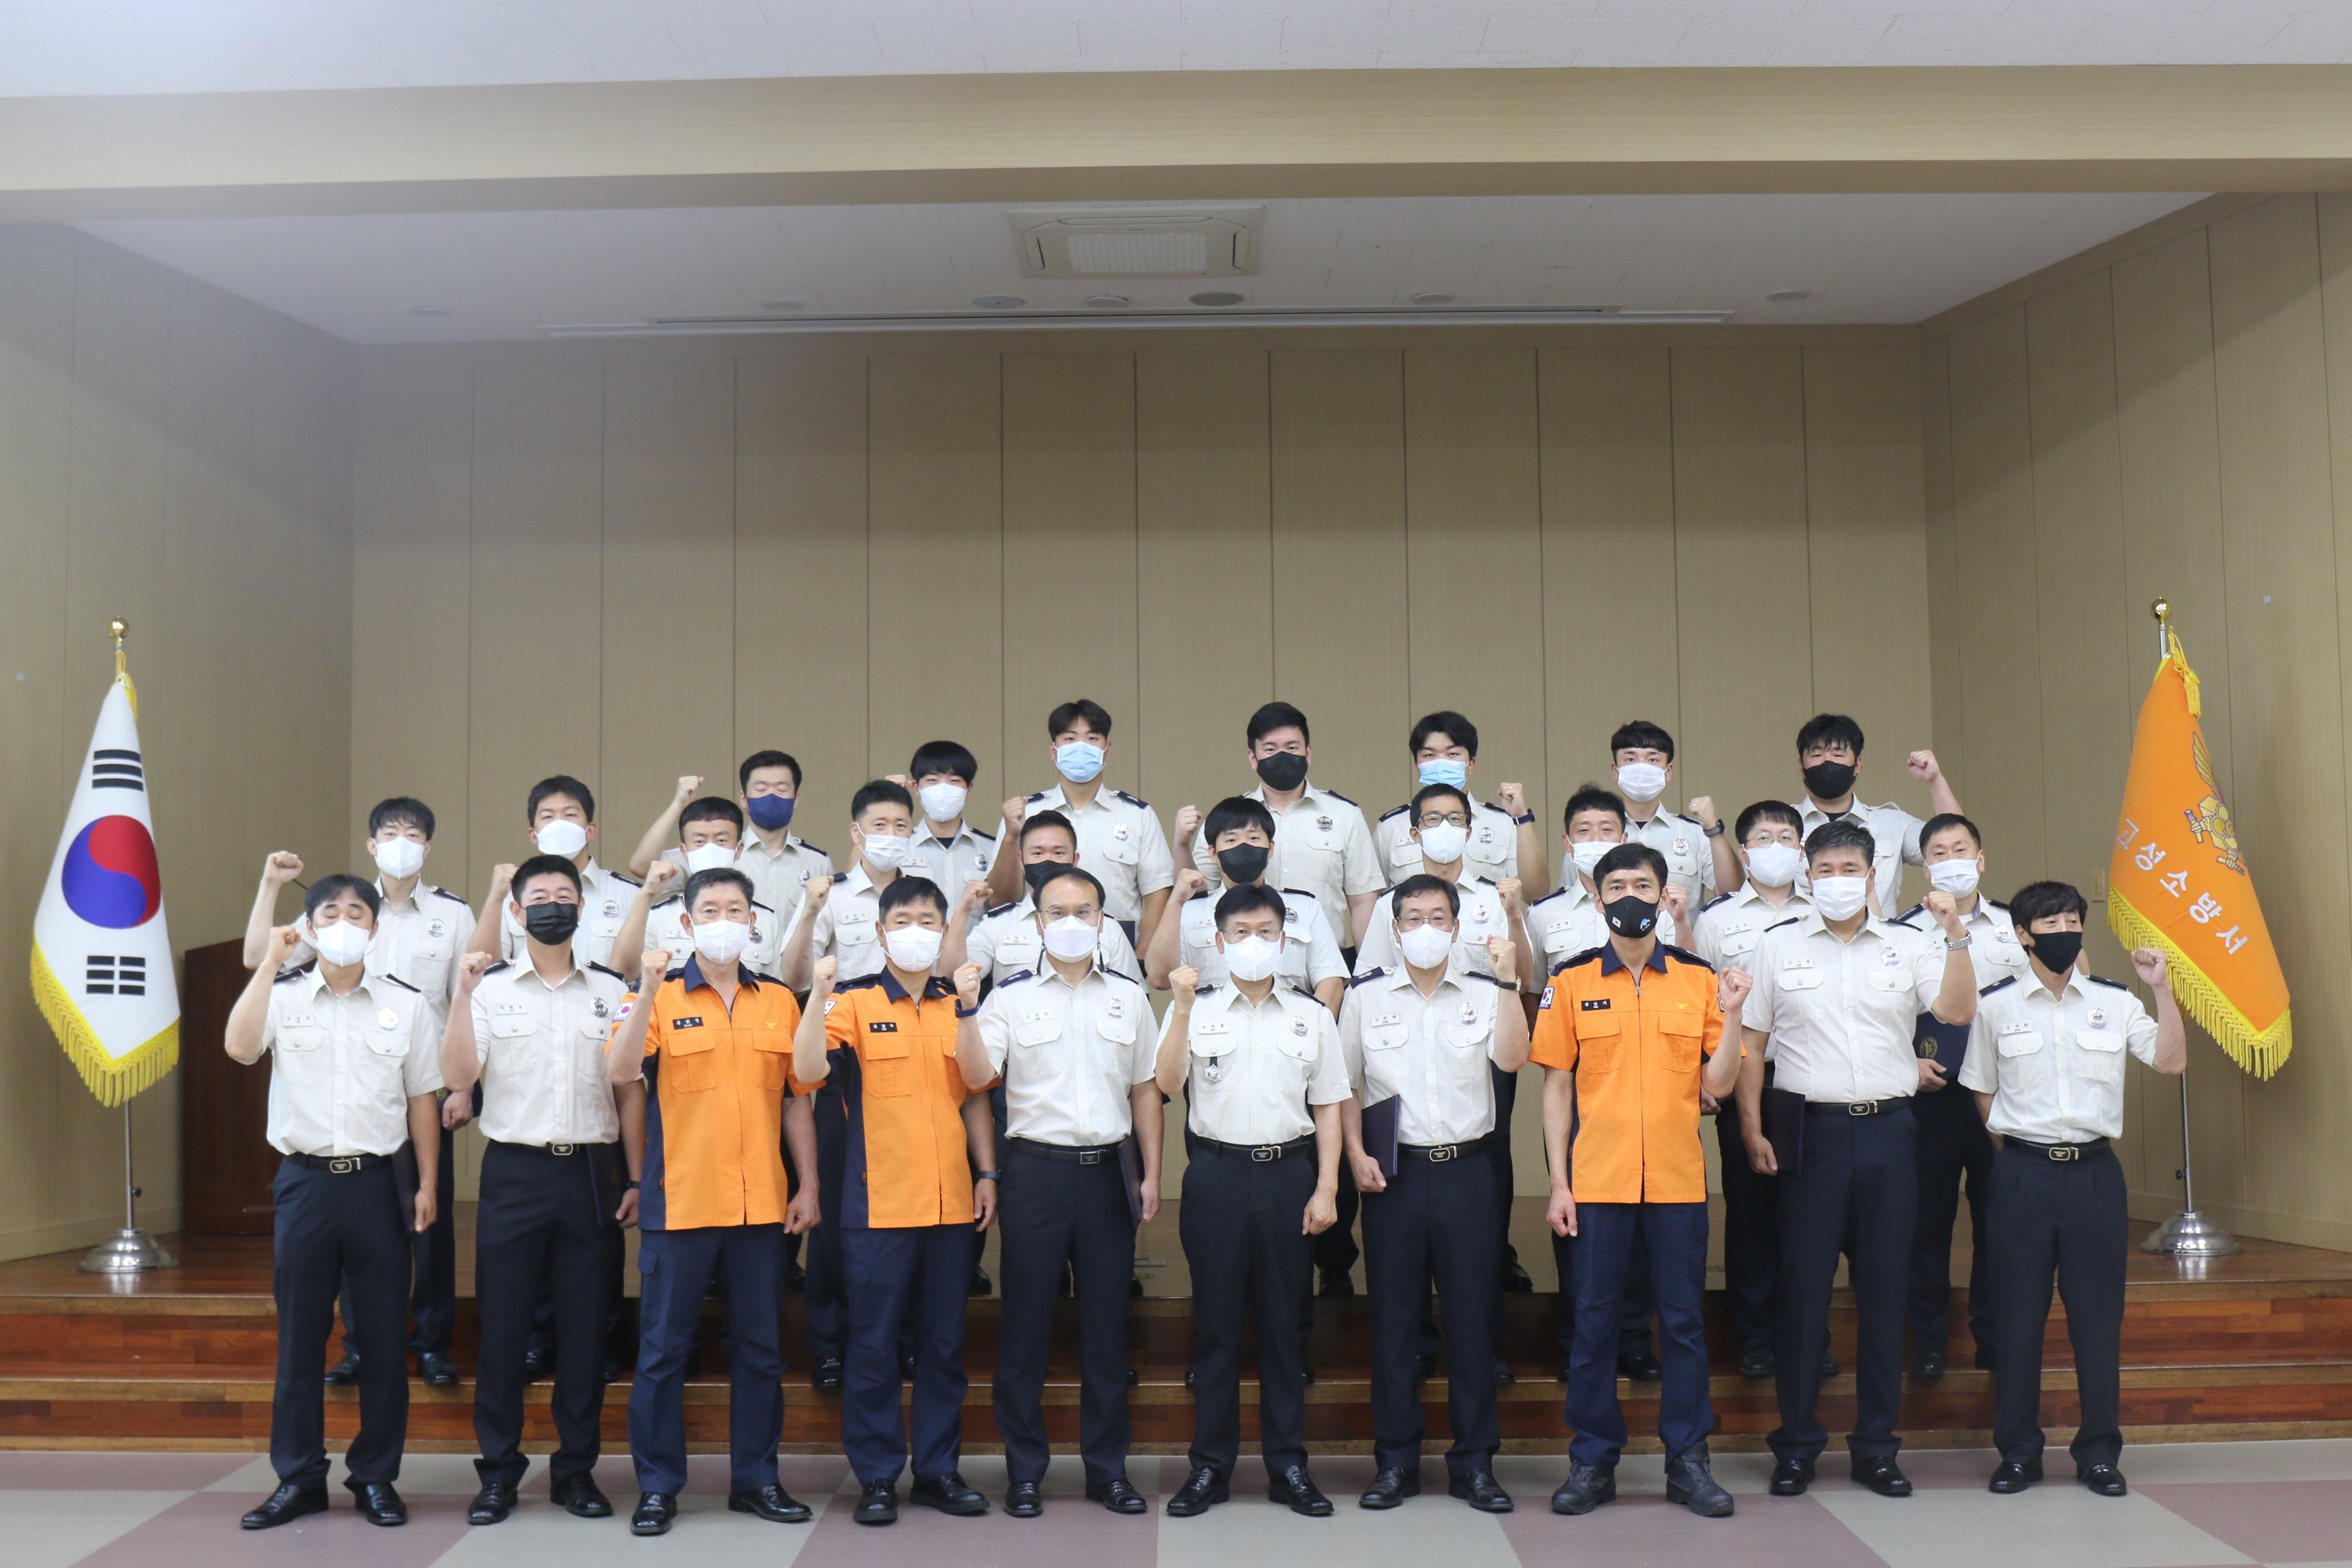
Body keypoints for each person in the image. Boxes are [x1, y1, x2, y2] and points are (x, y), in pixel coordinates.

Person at [1738, 819, 1976, 1498]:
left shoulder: (1912, 944)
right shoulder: (1776, 944)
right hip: (1808, 1134)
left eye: (1851, 870)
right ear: (1808, 876)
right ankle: (1796, 1446)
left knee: (1883, 1292)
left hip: (1890, 1134)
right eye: (1826, 870)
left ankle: (1877, 1446)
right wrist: (1752, 1128)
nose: (1838, 880)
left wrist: (1956, 935)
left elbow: (1956, 1012)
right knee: (1803, 1294)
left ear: (1872, 877)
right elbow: (1751, 1043)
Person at [605, 867, 821, 1536]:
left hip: (762, 1207)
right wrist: (646, 988)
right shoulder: (658, 995)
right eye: (709, 909)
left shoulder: (779, 1000)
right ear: (687, 922)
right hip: (681, 1203)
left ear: (753, 921)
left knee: (760, 1352)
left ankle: (757, 1480)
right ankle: (657, 1486)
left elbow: (798, 1099)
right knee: (663, 1352)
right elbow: (620, 1071)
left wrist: (809, 1183)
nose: (723, 920)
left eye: (735, 909)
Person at [1534, 843, 1747, 1518]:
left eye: (1644, 884)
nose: (1631, 895)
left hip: (1678, 1183)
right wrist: (1559, 1183)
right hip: (1597, 1183)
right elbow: (1556, 1087)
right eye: (1618, 884)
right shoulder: (1570, 980)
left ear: (1663, 894)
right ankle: (1592, 1461)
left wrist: (1735, 1011)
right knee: (1594, 1323)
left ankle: (1689, 1462)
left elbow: (1719, 1083)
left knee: (1682, 1325)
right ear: (1598, 898)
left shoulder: (1697, 977)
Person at [225, 876, 442, 1531]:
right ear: (310, 926)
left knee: (382, 1339)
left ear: (374, 929)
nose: (344, 922)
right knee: (300, 1339)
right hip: (306, 1183)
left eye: (357, 912)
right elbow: (239, 1046)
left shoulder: (406, 1004)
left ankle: (375, 1477)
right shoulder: (283, 993)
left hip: (379, 1183)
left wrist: (428, 1183)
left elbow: (422, 1099)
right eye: (330, 912)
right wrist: (270, 962)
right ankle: (298, 1478)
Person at [240, 798, 473, 1389]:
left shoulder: (451, 913)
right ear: (372, 844)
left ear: (428, 846)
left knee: (427, 1222)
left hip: (417, 1085)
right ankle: (359, 1347)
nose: (401, 843)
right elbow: (257, 960)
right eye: (390, 833)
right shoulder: (335, 907)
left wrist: (463, 1085)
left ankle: (432, 1343)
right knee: (348, 1241)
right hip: (336, 1111)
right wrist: (270, 886)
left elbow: (464, 997)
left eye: (413, 833)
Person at [1964, 882, 2185, 1498]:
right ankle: (2018, 1454)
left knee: (2097, 1318)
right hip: (2022, 1174)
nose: (2064, 931)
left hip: (2094, 1175)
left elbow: (2171, 1061)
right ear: (2023, 935)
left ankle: (2099, 1454)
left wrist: (2162, 989)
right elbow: (1981, 1088)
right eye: (2050, 923)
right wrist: (2018, 1151)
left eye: (2072, 921)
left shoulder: (2115, 1001)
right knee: (2016, 1320)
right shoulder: (1996, 1006)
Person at [438, 856, 641, 1525]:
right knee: (503, 1329)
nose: (554, 904)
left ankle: (576, 1471)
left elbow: (629, 1090)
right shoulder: (489, 988)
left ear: (581, 907)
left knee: (586, 1333)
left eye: (565, 894)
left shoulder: (610, 989)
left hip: (591, 1172)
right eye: (540, 895)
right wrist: (461, 995)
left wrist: (638, 1176)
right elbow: (460, 1076)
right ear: (517, 911)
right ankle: (498, 1472)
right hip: (515, 1173)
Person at [958, 865, 1163, 1518]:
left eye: (1084, 910)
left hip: (1108, 1174)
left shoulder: (1128, 996)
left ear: (1102, 919)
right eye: (1057, 911)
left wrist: (1152, 1173)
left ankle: (1108, 1471)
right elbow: (976, 1077)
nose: (1071, 921)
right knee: (1025, 1328)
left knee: (1106, 1330)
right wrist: (966, 1010)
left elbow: (1145, 1090)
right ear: (1038, 922)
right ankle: (1025, 1472)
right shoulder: (1008, 997)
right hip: (1035, 1174)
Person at [793, 877, 997, 1525]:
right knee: (874, 1345)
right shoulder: (852, 1001)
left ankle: (937, 1471)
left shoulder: (957, 1004)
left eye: (928, 921)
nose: (915, 931)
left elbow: (976, 1090)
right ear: (881, 933)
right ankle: (878, 1475)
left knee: (943, 1345)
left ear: (943, 931)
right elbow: (807, 1072)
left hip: (949, 1205)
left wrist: (987, 1172)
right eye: (902, 920)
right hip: (876, 1205)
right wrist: (817, 995)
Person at [1151, 884, 1348, 1518]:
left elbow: (1329, 1103)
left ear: (1284, 940)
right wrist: (1182, 1010)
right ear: (1219, 941)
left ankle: (1289, 1466)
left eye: (1266, 931)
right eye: (1240, 932)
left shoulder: (1312, 1014)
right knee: (1215, 1328)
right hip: (1217, 1175)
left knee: (1285, 1329)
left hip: (1290, 1173)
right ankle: (1209, 1466)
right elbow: (1166, 1082)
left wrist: (1327, 1185)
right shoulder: (1195, 1006)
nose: (1254, 942)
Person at [1340, 874, 1529, 1514]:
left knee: (1472, 1323)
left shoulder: (1485, 990)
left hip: (1468, 1174)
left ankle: (1475, 1464)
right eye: (1414, 917)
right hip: (1394, 1176)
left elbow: (1513, 1060)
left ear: (1456, 926)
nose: (1427, 927)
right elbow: (1343, 1085)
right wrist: (1355, 1153)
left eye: (1439, 917)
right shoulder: (1365, 997)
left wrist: (1509, 982)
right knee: (1395, 1323)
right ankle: (1395, 1462)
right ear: (1395, 931)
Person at [1352, 781, 1536, 1329]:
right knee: (1401, 1254)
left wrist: (1515, 916)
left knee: (1484, 1175)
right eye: (1432, 820)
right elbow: (1373, 979)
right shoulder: (1392, 904)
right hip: (1403, 1057)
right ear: (1413, 833)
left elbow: (1522, 978)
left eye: (1455, 819)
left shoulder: (1493, 896)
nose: (1444, 830)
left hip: (1478, 1042)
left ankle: (1486, 1322)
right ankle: (1417, 1344)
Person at [776, 778, 924, 1391]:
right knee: (838, 1206)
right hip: (845, 1062)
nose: (891, 835)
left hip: (910, 1062)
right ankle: (830, 1342)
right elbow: (792, 976)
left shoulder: (923, 898)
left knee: (909, 1208)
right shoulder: (830, 895)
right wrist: (811, 910)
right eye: (878, 825)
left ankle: (905, 1339)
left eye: (901, 825)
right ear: (856, 833)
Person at [1896, 814, 2034, 1378]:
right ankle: (1928, 1341)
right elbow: (1879, 1014)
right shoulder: (1901, 932)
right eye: (1938, 852)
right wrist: (1905, 1063)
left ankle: (1994, 1338)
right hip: (1932, 1095)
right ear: (1925, 868)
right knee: (1925, 1222)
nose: (1951, 859)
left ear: (1980, 860)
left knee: (1999, 1218)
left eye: (1961, 849)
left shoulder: (2015, 926)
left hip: (2003, 1095)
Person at [1693, 801, 1814, 1380]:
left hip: (1813, 1081)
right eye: (1763, 838)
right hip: (1746, 1078)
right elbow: (1698, 1003)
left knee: (1808, 1216)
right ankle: (1757, 1335)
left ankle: (1807, 1335)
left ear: (1802, 849)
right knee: (1750, 1213)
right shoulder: (1717, 920)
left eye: (1786, 836)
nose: (1775, 847)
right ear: (1743, 852)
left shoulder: (1825, 909)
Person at [1186, 701, 1384, 950]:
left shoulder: (1345, 815)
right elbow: (1198, 892)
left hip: (1326, 961)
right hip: (1245, 957)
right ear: (1253, 758)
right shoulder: (1229, 818)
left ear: (1308, 753)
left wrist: (1365, 966)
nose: (1282, 756)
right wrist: (1181, 844)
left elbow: (1363, 901)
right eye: (1270, 749)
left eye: (1292, 748)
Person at [984, 700, 1174, 947]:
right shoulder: (1024, 814)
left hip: (1116, 952)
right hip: (1037, 950)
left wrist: (1140, 959)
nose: (1081, 747)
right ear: (1054, 751)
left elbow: (1158, 895)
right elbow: (1000, 898)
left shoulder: (1138, 815)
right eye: (1070, 739)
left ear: (1108, 750)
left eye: (1092, 738)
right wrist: (1012, 837)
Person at [1148, 796, 1349, 1011]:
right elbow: (1160, 978)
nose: (1243, 846)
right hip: (1212, 1029)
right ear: (1214, 854)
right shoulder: (1189, 911)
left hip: (1289, 1028)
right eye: (1231, 840)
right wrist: (1175, 902)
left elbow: (1331, 983)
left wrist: (1307, 1026)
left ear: (1270, 848)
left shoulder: (1305, 908)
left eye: (1254, 838)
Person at [1758, 714, 1959, 912]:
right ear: (1802, 768)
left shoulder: (1893, 823)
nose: (1827, 762)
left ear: (1858, 765)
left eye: (1838, 755)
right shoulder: (1778, 828)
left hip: (1879, 933)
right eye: (1817, 756)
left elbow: (1955, 844)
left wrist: (1935, 781)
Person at [627, 755, 835, 937]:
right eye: (761, 789)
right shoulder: (721, 849)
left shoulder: (817, 862)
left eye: (781, 789)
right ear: (744, 799)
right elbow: (643, 867)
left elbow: (827, 926)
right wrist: (678, 805)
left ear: (796, 798)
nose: (771, 796)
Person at [942, 808, 1141, 987]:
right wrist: (963, 911)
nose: (1048, 860)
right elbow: (952, 979)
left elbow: (1133, 997)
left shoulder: (1108, 929)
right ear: (1021, 861)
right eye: (1037, 853)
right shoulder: (997, 926)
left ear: (1075, 860)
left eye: (1058, 853)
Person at [469, 775, 642, 968]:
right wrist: (495, 898)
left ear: (591, 830)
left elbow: (639, 972)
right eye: (548, 817)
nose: (559, 825)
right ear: (534, 835)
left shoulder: (630, 895)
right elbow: (481, 966)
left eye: (570, 815)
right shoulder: (511, 895)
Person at [614, 798, 787, 980]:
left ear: (739, 849)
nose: (710, 849)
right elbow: (625, 972)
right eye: (699, 842)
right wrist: (647, 895)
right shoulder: (657, 917)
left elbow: (778, 987)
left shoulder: (767, 920)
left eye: (721, 840)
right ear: (684, 851)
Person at [1371, 711, 1541, 893]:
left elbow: (1535, 893)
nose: (1441, 763)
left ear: (1471, 765)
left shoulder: (1503, 823)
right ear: (1418, 767)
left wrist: (1521, 818)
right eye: (1429, 755)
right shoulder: (1390, 827)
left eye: (1452, 754)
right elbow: (1376, 900)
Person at [1527, 785, 1686, 977]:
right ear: (1568, 843)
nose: (1596, 839)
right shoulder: (1543, 914)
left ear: (1624, 839)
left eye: (1607, 830)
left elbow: (1685, 974)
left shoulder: (1657, 906)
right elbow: (1533, 989)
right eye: (1584, 830)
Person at [1598, 720, 1739, 906]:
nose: (1642, 768)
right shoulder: (1591, 835)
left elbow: (1733, 895)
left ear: (1668, 771)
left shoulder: (1696, 833)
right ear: (1616, 771)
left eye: (1653, 760)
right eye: (1630, 759)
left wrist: (1713, 830)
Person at [903, 740, 997, 926]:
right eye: (933, 781)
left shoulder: (992, 849)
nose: (943, 789)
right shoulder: (898, 846)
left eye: (954, 781)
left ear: (968, 790)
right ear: (916, 788)